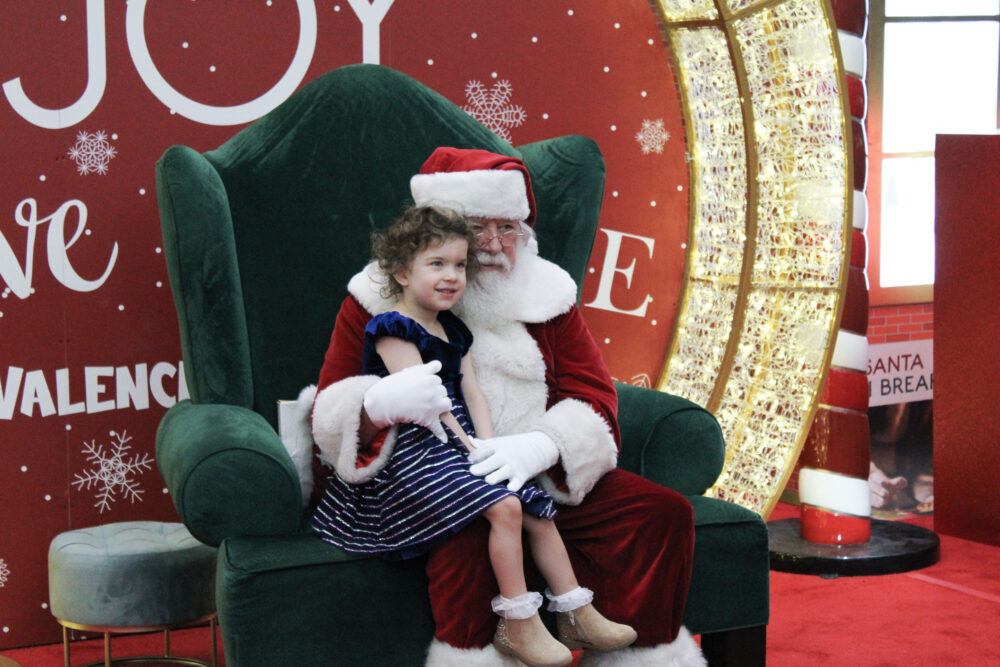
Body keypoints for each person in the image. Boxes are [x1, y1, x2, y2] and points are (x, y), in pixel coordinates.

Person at [312, 147, 702, 666]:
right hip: (429, 470)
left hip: (530, 467)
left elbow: (594, 394)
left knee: (660, 514)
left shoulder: (548, 297)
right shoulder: (377, 301)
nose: (494, 246)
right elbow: (330, 407)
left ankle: (628, 649)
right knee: (476, 524)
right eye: (478, 229)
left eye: (510, 228)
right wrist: (376, 405)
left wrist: (541, 447)